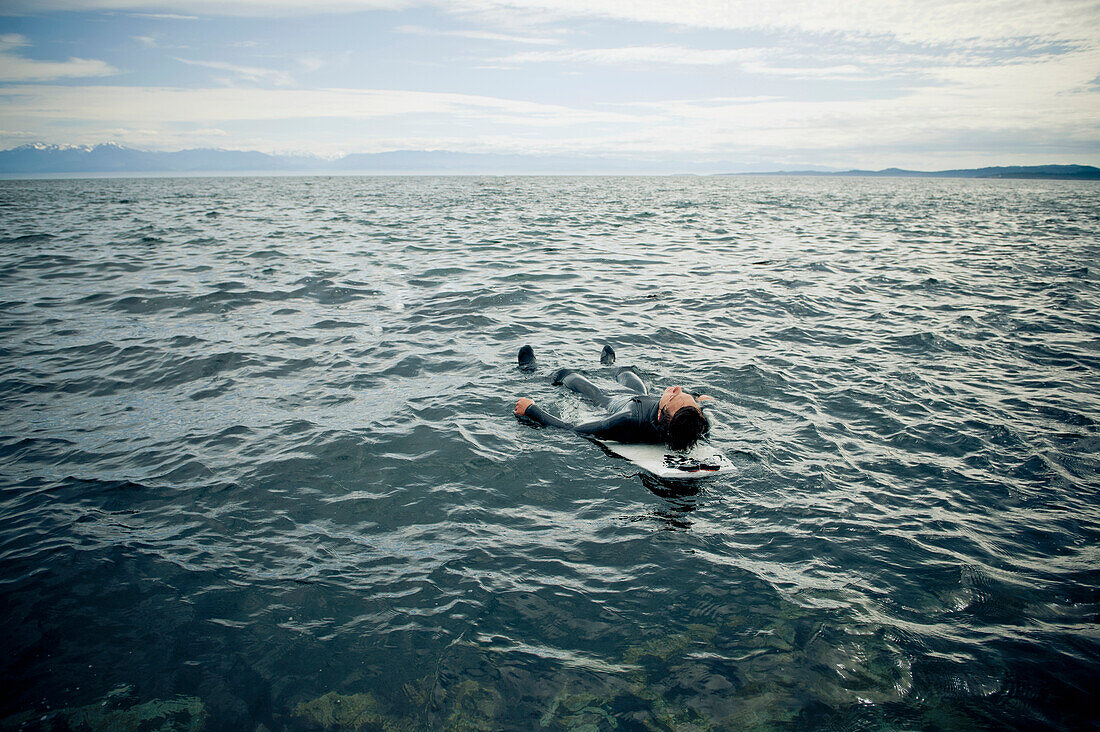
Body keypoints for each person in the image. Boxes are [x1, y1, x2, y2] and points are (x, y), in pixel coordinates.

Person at [513, 345, 711, 451]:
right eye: (688, 398)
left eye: (675, 395)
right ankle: (607, 364)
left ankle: (529, 369)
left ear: (660, 416)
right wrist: (698, 400)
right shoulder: (699, 424)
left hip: (608, 400)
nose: (677, 388)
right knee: (627, 374)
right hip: (639, 395)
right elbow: (688, 417)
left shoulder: (626, 421)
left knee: (570, 376)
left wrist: (532, 409)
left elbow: (572, 430)